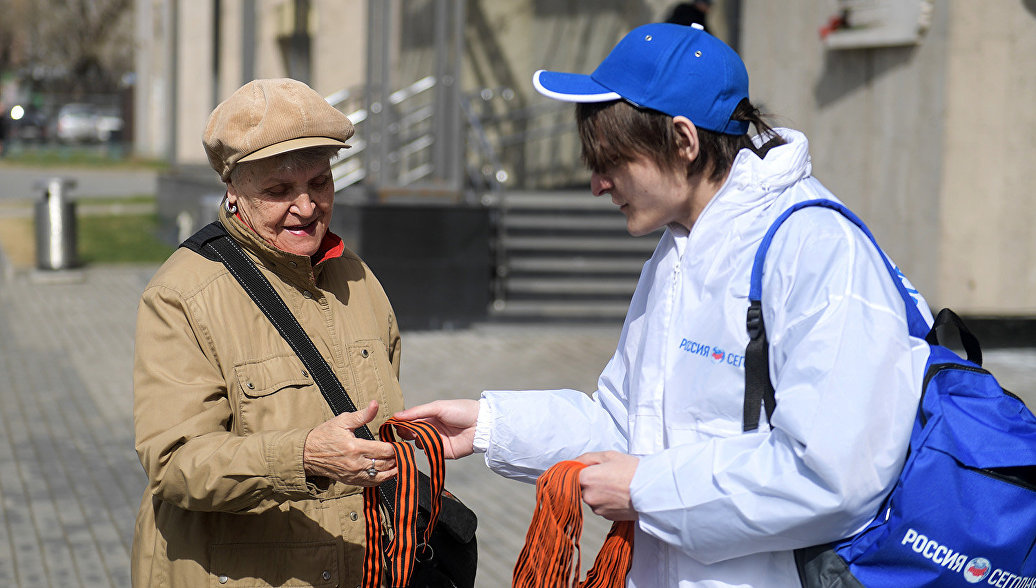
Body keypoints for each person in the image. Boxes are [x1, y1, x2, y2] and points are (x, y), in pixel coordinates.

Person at [395, 23, 934, 586]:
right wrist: (491, 427)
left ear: (684, 140)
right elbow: (627, 427)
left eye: (610, 161)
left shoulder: (816, 250)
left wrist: (643, 488)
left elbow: (834, 475)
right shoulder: (680, 250)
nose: (597, 185)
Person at [132, 78, 404, 587]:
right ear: (233, 191)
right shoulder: (181, 295)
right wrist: (302, 456)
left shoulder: (360, 280)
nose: (306, 207)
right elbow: (174, 465)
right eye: (278, 191)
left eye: (319, 183)